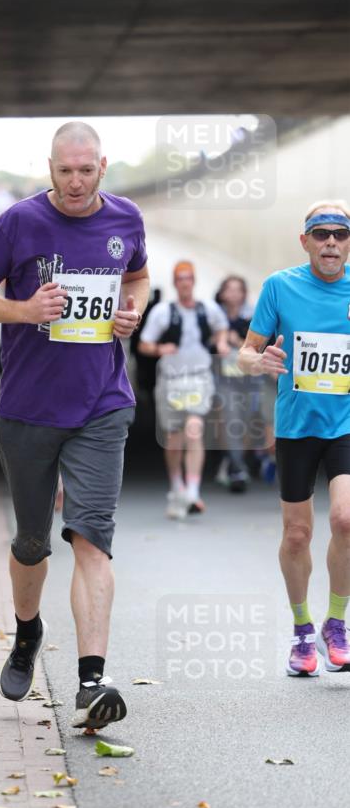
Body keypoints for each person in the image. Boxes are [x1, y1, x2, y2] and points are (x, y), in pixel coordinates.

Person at [0, 121, 150, 729]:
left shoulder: (126, 221)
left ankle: (92, 680)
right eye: (64, 170)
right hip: (28, 408)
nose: (74, 180)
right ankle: (25, 632)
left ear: (102, 168)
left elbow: (138, 274)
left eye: (85, 170)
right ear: (50, 169)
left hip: (102, 403)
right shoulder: (18, 222)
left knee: (90, 537)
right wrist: (22, 309)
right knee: (32, 542)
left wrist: (133, 309)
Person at [238, 199, 350, 677]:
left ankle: (337, 623)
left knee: (346, 520)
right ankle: (303, 629)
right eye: (321, 233)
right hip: (296, 426)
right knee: (298, 534)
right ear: (304, 241)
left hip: (345, 422)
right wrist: (257, 362)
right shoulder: (279, 287)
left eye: (340, 234)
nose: (331, 242)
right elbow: (245, 351)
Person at [138, 261, 229, 518]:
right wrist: (159, 349)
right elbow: (144, 344)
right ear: (175, 282)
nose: (185, 283)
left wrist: (221, 343)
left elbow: (222, 327)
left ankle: (193, 489)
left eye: (189, 278)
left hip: (199, 377)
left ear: (194, 280)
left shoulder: (208, 309)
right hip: (172, 379)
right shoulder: (163, 312)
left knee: (194, 429)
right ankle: (176, 485)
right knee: (174, 440)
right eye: (180, 278)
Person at [214, 275, 260, 493]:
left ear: (244, 293)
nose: (233, 294)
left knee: (247, 422)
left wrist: (236, 341)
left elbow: (260, 346)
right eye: (229, 289)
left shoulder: (254, 316)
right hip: (224, 379)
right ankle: (237, 468)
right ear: (222, 293)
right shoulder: (214, 315)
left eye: (237, 290)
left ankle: (234, 459)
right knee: (230, 418)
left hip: (249, 378)